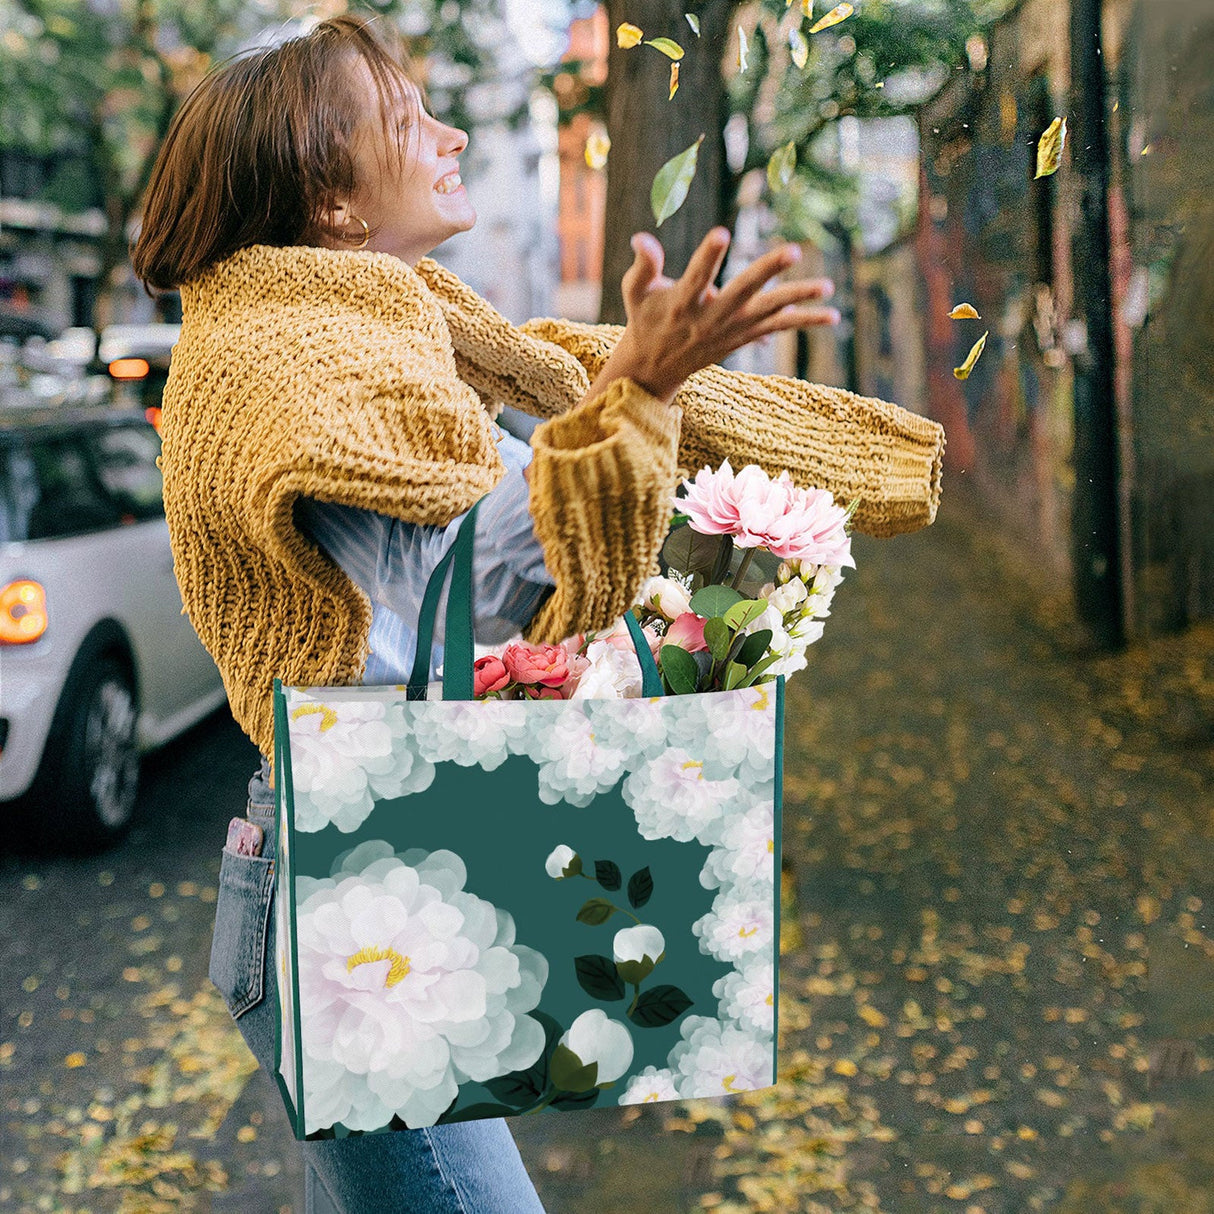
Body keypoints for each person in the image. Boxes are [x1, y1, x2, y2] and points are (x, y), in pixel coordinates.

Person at [131, 14, 943, 1212]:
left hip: (357, 866)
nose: (450, 132)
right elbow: (490, 579)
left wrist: (625, 394)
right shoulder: (297, 363)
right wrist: (631, 395)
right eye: (409, 120)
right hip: (360, 894)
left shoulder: (347, 332)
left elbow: (466, 563)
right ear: (331, 196)